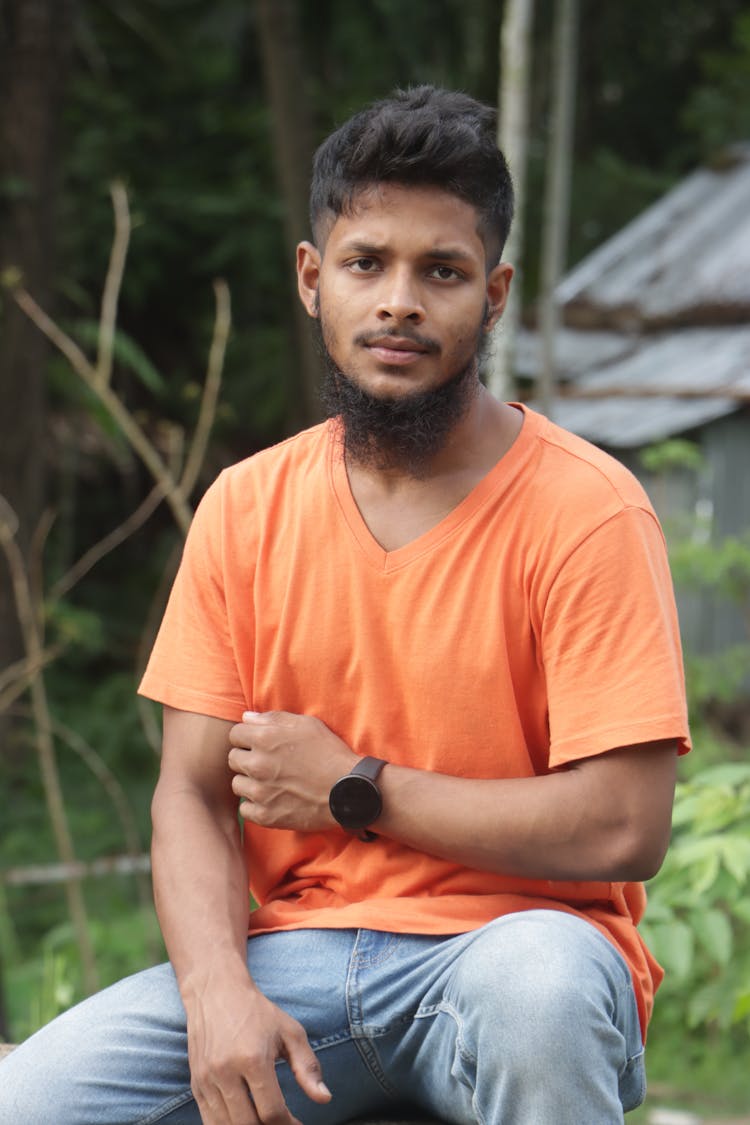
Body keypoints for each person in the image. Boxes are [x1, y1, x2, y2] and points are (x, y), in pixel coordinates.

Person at [0, 85, 690, 1125]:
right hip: (297, 968)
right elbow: (190, 796)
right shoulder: (246, 506)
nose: (400, 302)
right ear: (313, 280)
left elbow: (624, 828)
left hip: (513, 949)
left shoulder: (589, 511)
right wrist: (217, 993)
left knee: (542, 996)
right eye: (368, 264)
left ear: (494, 294)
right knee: (30, 1100)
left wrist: (356, 789)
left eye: (442, 272)